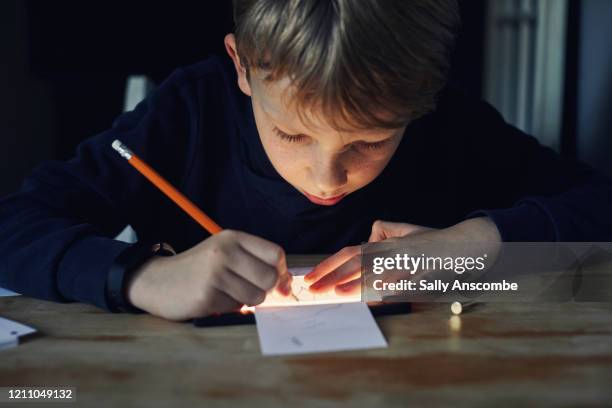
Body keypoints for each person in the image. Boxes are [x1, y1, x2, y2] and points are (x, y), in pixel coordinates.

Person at [1, 0, 610, 320]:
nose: (327, 178)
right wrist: (141, 278)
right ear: (242, 66)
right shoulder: (189, 113)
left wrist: (479, 243)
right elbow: (14, 226)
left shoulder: (449, 125)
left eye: (370, 142)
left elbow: (597, 207)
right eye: (292, 135)